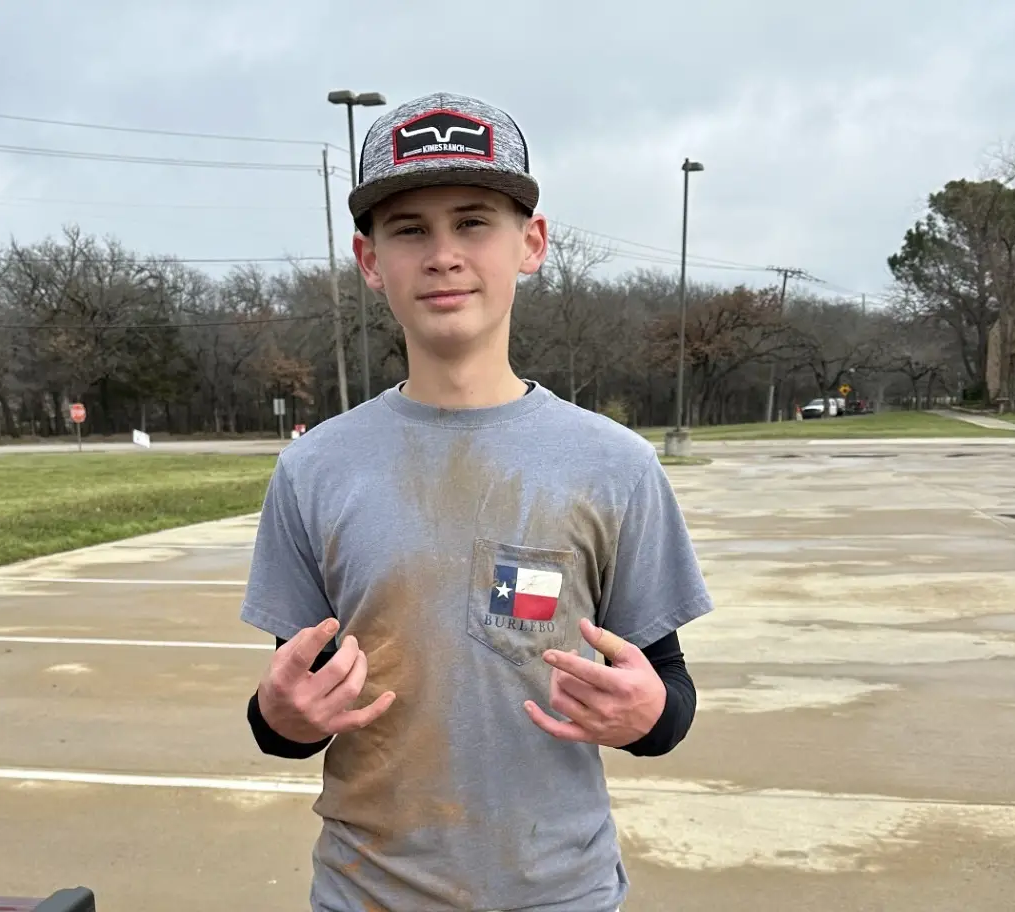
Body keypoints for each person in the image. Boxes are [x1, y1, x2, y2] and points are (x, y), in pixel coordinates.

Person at [240, 91, 714, 912]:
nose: (443, 255)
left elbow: (667, 694)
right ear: (369, 258)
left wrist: (648, 716)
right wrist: (279, 717)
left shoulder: (616, 466)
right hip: (367, 891)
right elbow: (295, 707)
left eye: (472, 223)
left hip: (559, 890)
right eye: (409, 230)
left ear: (531, 242)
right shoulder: (314, 470)